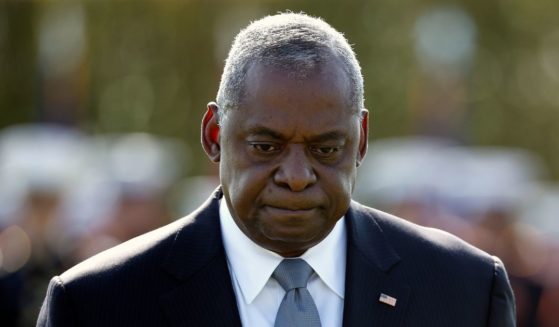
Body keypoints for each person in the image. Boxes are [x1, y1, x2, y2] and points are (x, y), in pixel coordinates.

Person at [37, 12, 516, 326]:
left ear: (361, 142)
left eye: (326, 150)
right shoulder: (98, 304)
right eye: (266, 146)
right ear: (214, 136)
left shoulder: (464, 291)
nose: (296, 175)